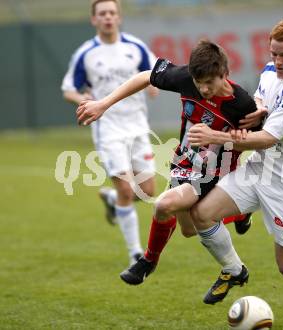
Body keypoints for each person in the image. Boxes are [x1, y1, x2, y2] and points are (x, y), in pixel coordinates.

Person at [188, 17, 283, 326]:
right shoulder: (271, 71)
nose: (277, 60)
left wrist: (215, 137)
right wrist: (259, 106)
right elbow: (261, 96)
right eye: (273, 53)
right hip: (258, 168)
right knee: (202, 213)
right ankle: (234, 270)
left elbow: (269, 137)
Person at [76, 40, 266, 285]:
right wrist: (103, 104)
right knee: (189, 229)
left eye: (210, 82)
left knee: (164, 204)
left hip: (216, 171)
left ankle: (147, 261)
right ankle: (239, 215)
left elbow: (262, 140)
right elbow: (145, 76)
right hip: (184, 162)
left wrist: (246, 127)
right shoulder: (187, 78)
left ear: (224, 74)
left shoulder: (242, 104)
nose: (204, 89)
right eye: (199, 83)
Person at [61, 0, 158, 265]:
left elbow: (155, 72)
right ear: (94, 19)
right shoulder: (86, 53)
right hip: (109, 129)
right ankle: (136, 254)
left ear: (119, 17)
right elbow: (68, 88)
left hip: (137, 126)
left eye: (112, 13)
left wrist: (154, 86)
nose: (107, 18)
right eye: (102, 14)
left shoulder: (135, 46)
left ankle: (113, 199)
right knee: (128, 190)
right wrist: (82, 98)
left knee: (148, 190)